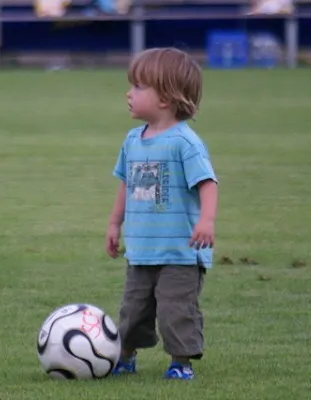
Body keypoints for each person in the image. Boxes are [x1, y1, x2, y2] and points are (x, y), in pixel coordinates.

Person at [105, 47, 219, 380]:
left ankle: (180, 363)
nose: (129, 93)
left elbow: (208, 184)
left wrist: (206, 221)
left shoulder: (185, 143)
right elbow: (126, 184)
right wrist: (114, 223)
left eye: (138, 87)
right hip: (141, 249)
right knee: (133, 310)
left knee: (175, 310)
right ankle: (125, 356)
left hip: (180, 252)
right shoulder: (132, 141)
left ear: (166, 98)